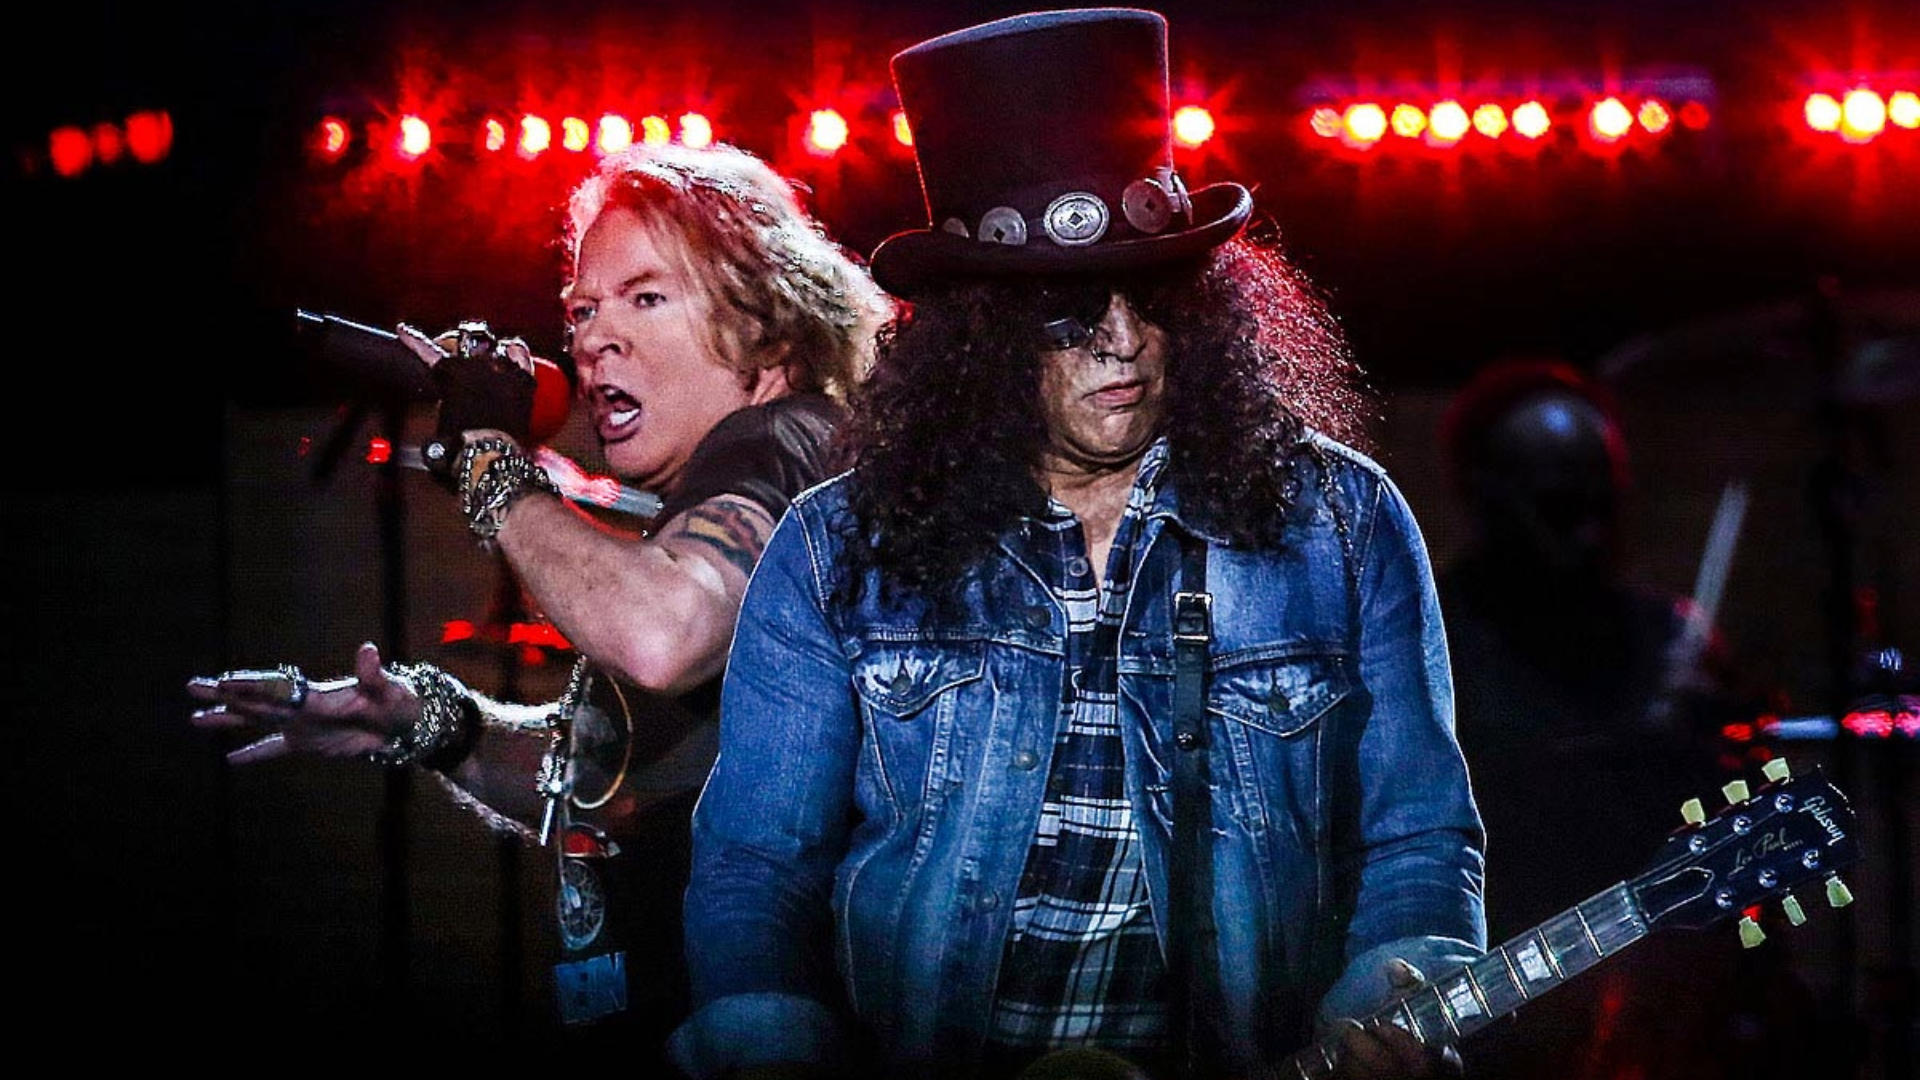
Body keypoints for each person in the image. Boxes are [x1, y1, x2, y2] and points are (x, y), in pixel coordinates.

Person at [669, 11, 1486, 1080]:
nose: (1125, 341)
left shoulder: (1340, 523)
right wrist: (771, 1039)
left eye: (1154, 299)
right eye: (1068, 313)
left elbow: (1420, 835)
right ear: (980, 336)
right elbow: (755, 866)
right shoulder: (838, 550)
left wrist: (1389, 1002)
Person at [186, 140, 896, 1067]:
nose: (595, 338)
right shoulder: (721, 493)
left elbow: (662, 634)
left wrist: (488, 459)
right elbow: (617, 783)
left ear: (768, 326)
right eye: (583, 310)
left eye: (646, 297)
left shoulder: (781, 441)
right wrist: (430, 723)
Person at [1431, 356, 1820, 1080]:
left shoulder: (1670, 636)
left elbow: (1745, 843)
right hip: (1503, 1005)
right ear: (1489, 496)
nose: (1587, 533)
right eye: (1559, 506)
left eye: (1600, 504)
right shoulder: (1431, 641)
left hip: (1666, 1010)